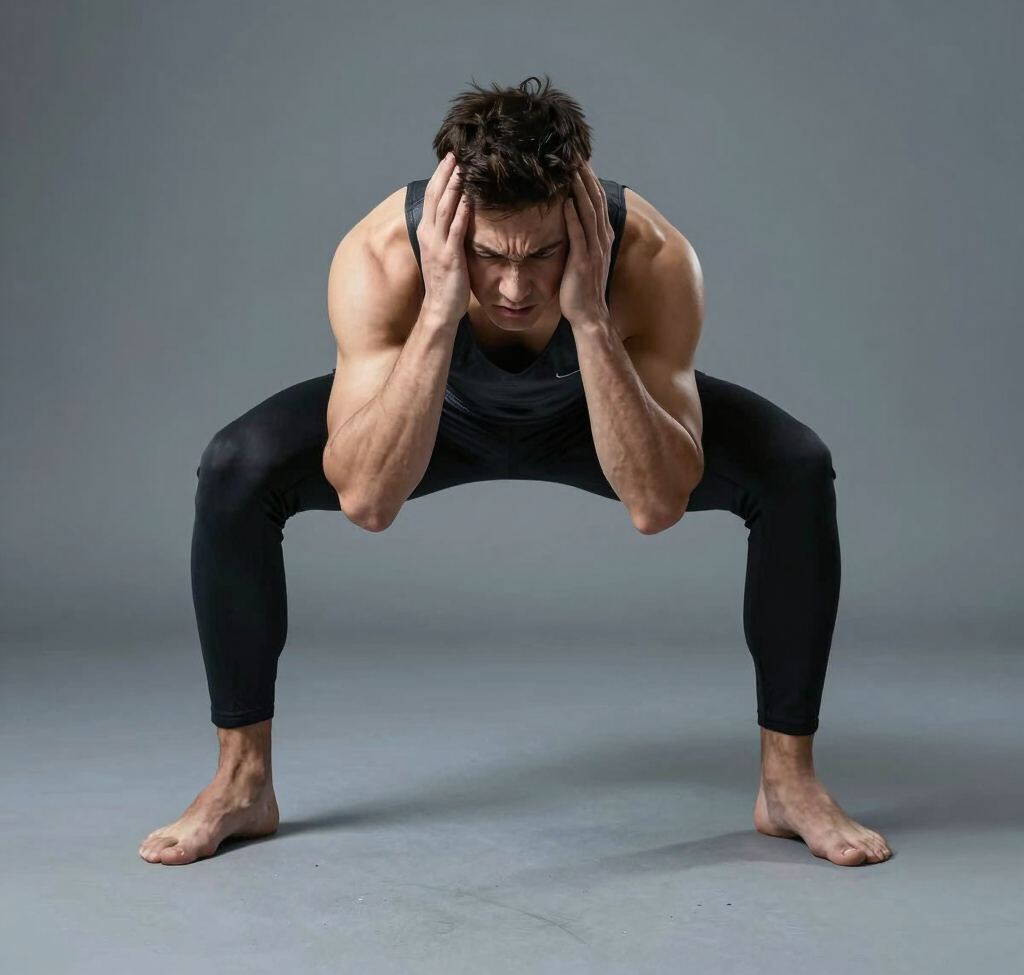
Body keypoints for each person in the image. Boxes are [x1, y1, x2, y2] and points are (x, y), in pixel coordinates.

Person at [139, 75, 892, 868]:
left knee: (796, 467)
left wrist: (592, 317)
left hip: (596, 415)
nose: (512, 286)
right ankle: (242, 781)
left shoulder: (653, 258)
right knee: (236, 466)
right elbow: (367, 499)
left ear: (583, 219)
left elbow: (657, 502)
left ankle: (788, 782)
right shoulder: (381, 256)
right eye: (488, 255)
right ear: (450, 227)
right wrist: (437, 308)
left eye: (543, 255)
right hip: (433, 416)